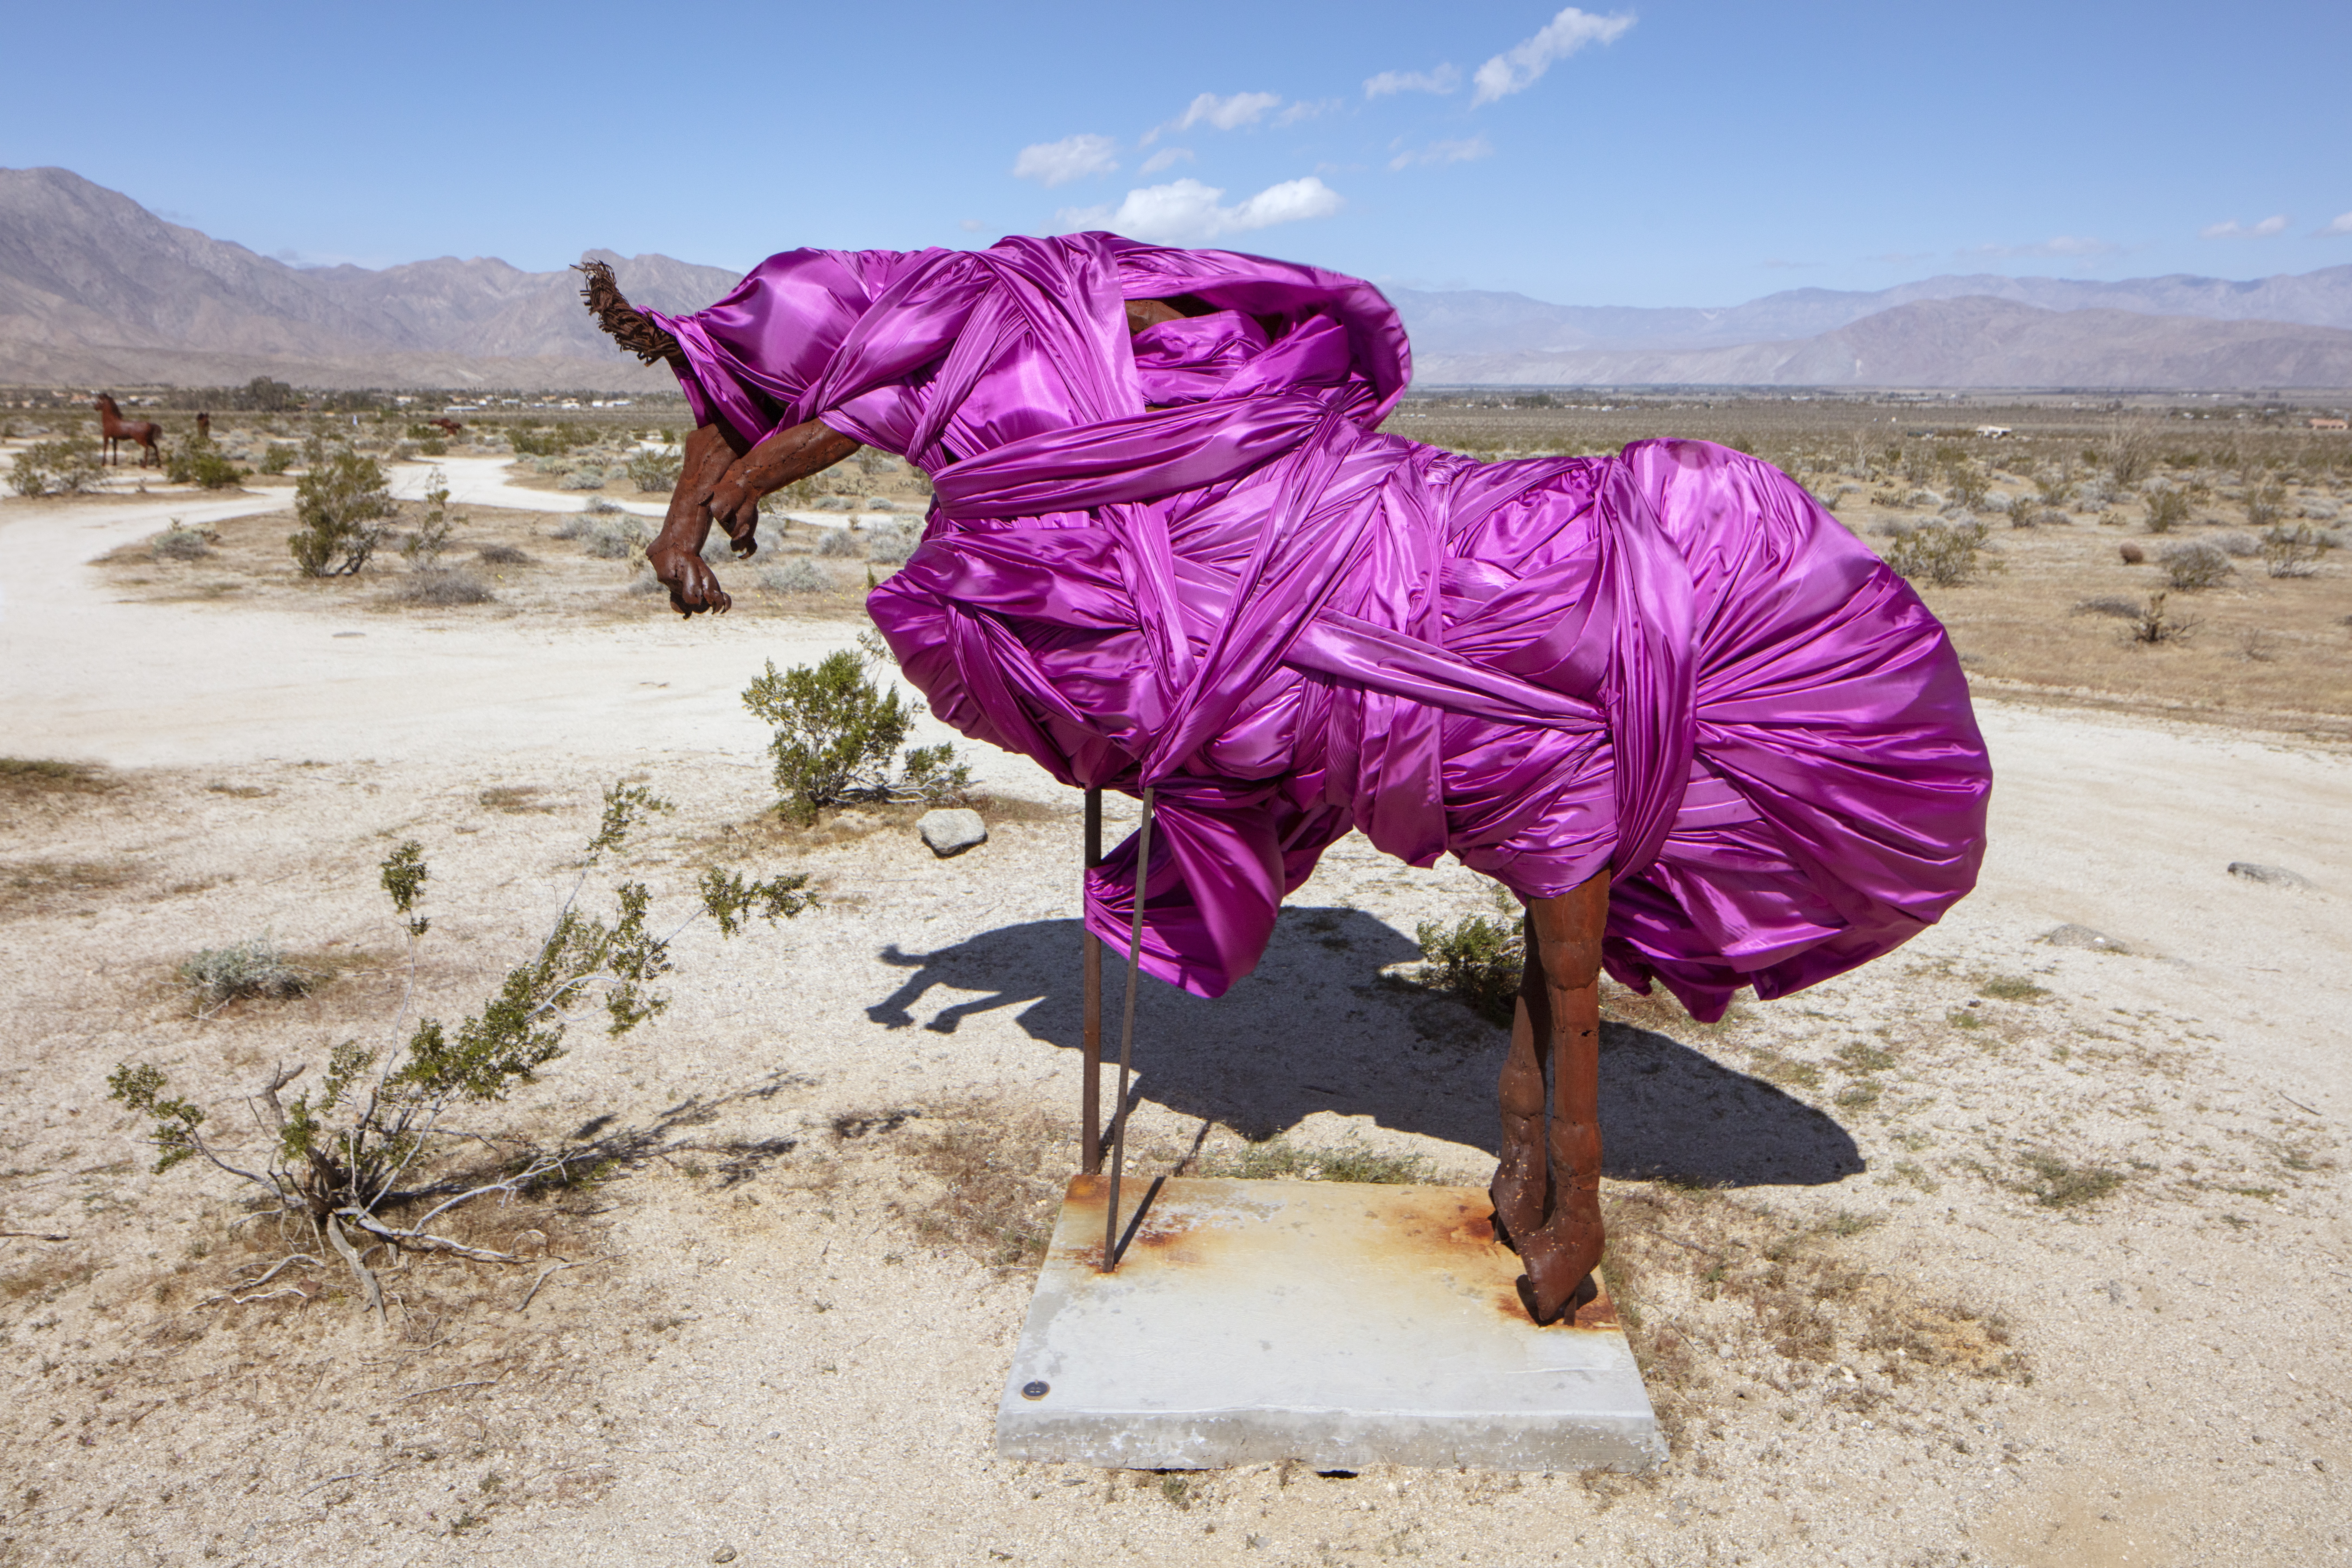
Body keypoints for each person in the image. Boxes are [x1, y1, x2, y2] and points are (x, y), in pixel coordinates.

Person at [579, 236, 1990, 1320]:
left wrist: (727, 493)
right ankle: (1535, 1165)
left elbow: (846, 406)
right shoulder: (1020, 318)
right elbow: (858, 410)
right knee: (1170, 644)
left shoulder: (1011, 319)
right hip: (1269, 519)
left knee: (1241, 679)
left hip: (1319, 536)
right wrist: (726, 490)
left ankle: (1568, 1200)